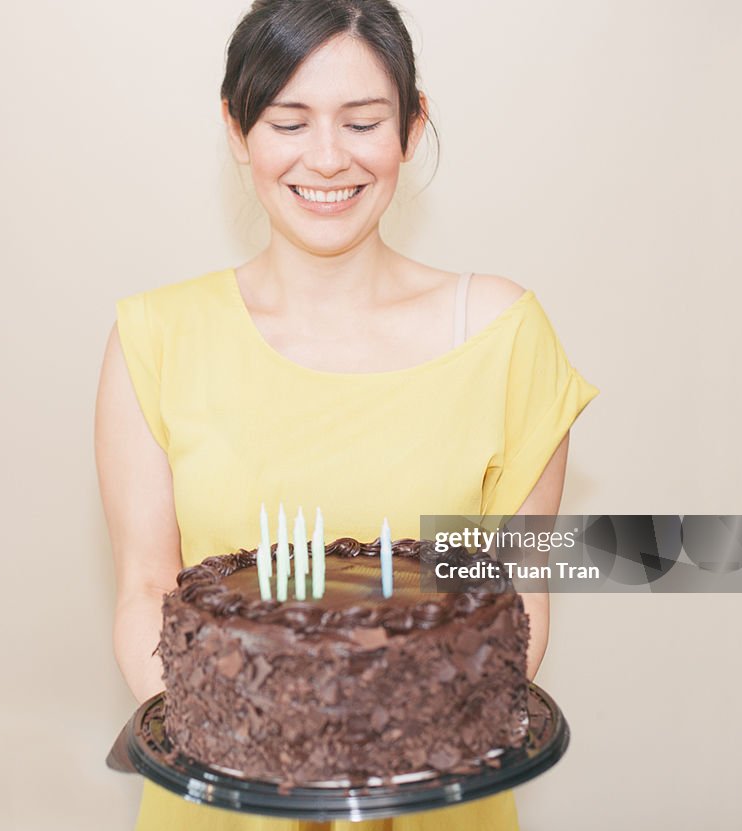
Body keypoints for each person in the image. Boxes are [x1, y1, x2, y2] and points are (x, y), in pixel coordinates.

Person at [94, 1, 598, 828]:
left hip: (445, 798)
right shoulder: (154, 337)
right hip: (222, 803)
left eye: (363, 122)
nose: (327, 160)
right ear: (236, 128)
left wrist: (395, 764)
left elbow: (517, 592)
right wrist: (264, 759)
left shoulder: (506, 335)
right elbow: (145, 587)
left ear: (410, 126)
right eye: (288, 122)